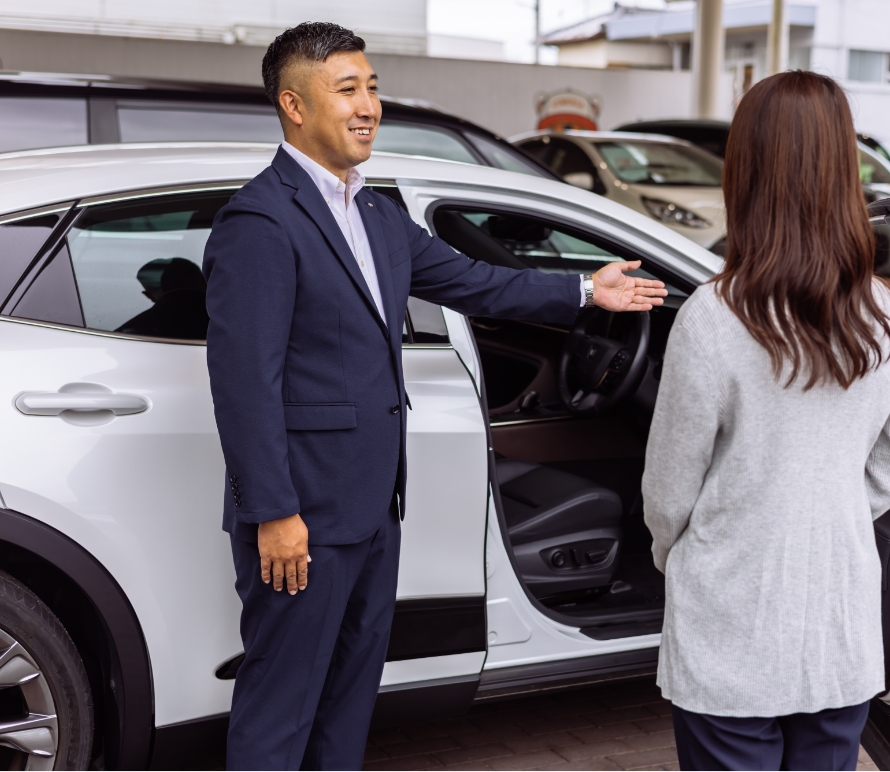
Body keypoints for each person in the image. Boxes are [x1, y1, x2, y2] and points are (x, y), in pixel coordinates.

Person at [202, 21, 667, 771]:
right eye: (347, 89)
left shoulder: (379, 213)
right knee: (281, 701)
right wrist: (274, 513)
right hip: (303, 518)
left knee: (349, 697)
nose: (368, 106)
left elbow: (478, 280)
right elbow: (243, 382)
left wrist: (585, 288)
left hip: (372, 509)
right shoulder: (260, 221)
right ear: (294, 105)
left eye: (373, 88)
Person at [642, 70, 890, 771]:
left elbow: (670, 489)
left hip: (732, 617)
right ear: (841, 166)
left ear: (747, 171)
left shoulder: (713, 315)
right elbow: (887, 469)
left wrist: (681, 557)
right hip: (838, 617)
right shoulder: (886, 311)